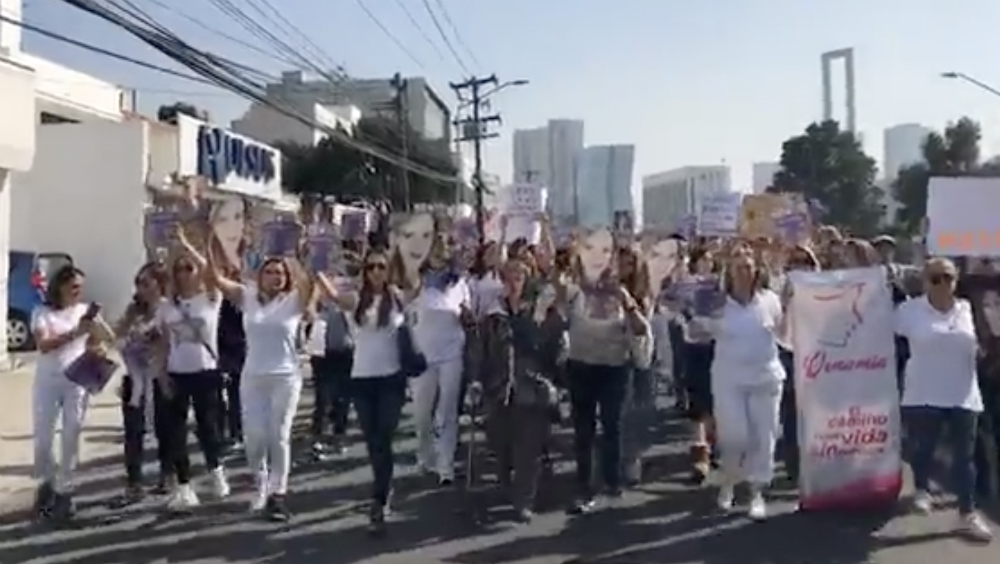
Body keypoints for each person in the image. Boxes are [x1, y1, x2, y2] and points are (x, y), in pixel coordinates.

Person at [539, 227, 651, 515]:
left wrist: (628, 304)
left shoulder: (622, 292)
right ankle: (584, 486)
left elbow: (640, 329)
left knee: (611, 426)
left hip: (615, 368)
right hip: (581, 365)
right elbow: (559, 313)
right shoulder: (576, 290)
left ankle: (612, 480)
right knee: (583, 430)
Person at [894, 257, 992, 541]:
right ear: (924, 281)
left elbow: (984, 339)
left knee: (965, 456)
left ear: (956, 280)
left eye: (947, 277)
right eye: (935, 278)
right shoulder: (908, 311)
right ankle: (922, 488)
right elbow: (874, 325)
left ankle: (968, 512)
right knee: (923, 448)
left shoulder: (968, 309)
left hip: (962, 393)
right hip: (923, 391)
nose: (942, 284)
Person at [473, 258, 560, 522]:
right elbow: (479, 350)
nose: (512, 284)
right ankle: (505, 484)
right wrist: (476, 379)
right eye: (508, 278)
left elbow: (548, 346)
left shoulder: (539, 312)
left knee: (529, 447)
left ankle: (524, 500)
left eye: (518, 278)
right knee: (501, 444)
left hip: (531, 387)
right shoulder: (492, 316)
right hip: (499, 387)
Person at [329, 250, 408, 535]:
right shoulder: (355, 300)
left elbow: (419, 281)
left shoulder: (398, 297)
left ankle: (380, 496)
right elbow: (332, 295)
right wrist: (318, 263)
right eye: (371, 267)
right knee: (373, 440)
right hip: (361, 379)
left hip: (391, 379)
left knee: (384, 437)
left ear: (388, 270)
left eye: (381, 267)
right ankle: (382, 488)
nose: (376, 271)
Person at [31, 265, 114, 519]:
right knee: (43, 439)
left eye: (81, 287)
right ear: (60, 286)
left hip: (76, 381)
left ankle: (66, 490)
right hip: (47, 382)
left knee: (70, 436)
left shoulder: (83, 311)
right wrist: (75, 333)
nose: (78, 291)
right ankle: (48, 481)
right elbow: (43, 345)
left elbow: (108, 337)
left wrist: (97, 337)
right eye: (74, 286)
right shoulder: (42, 312)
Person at [711, 252, 787, 520]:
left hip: (766, 377)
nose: (743, 272)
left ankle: (756, 493)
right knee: (735, 437)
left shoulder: (770, 300)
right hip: (729, 379)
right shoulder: (717, 304)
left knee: (763, 438)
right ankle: (728, 482)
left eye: (748, 267)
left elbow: (785, 337)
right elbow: (695, 332)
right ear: (729, 272)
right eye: (738, 267)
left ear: (756, 271)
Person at [158, 231, 230, 511]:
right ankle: (185, 486)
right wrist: (162, 375)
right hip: (178, 373)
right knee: (175, 432)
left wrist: (187, 245)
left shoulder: (210, 299)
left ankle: (216, 471)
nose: (184, 273)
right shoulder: (167, 307)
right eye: (179, 269)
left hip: (206, 371)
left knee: (207, 427)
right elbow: (164, 344)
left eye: (189, 268)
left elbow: (213, 273)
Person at [410, 236, 472, 485]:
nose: (439, 252)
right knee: (422, 413)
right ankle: (425, 456)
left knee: (447, 411)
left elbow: (467, 313)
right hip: (423, 353)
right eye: (434, 249)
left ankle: (445, 464)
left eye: (444, 248)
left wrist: (467, 316)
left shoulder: (459, 283)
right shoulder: (417, 281)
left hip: (451, 353)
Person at [114, 262, 172, 506]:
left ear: (160, 285)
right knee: (133, 433)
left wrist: (157, 343)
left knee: (164, 430)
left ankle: (167, 475)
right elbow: (117, 339)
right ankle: (134, 482)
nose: (141, 289)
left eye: (146, 283)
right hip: (134, 379)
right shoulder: (132, 312)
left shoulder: (168, 310)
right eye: (138, 283)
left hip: (160, 377)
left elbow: (174, 343)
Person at [307, 300, 354, 457]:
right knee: (322, 398)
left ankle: (339, 434)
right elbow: (308, 313)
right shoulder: (317, 295)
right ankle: (318, 435)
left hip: (344, 351)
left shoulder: (347, 291)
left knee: (342, 398)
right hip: (321, 353)